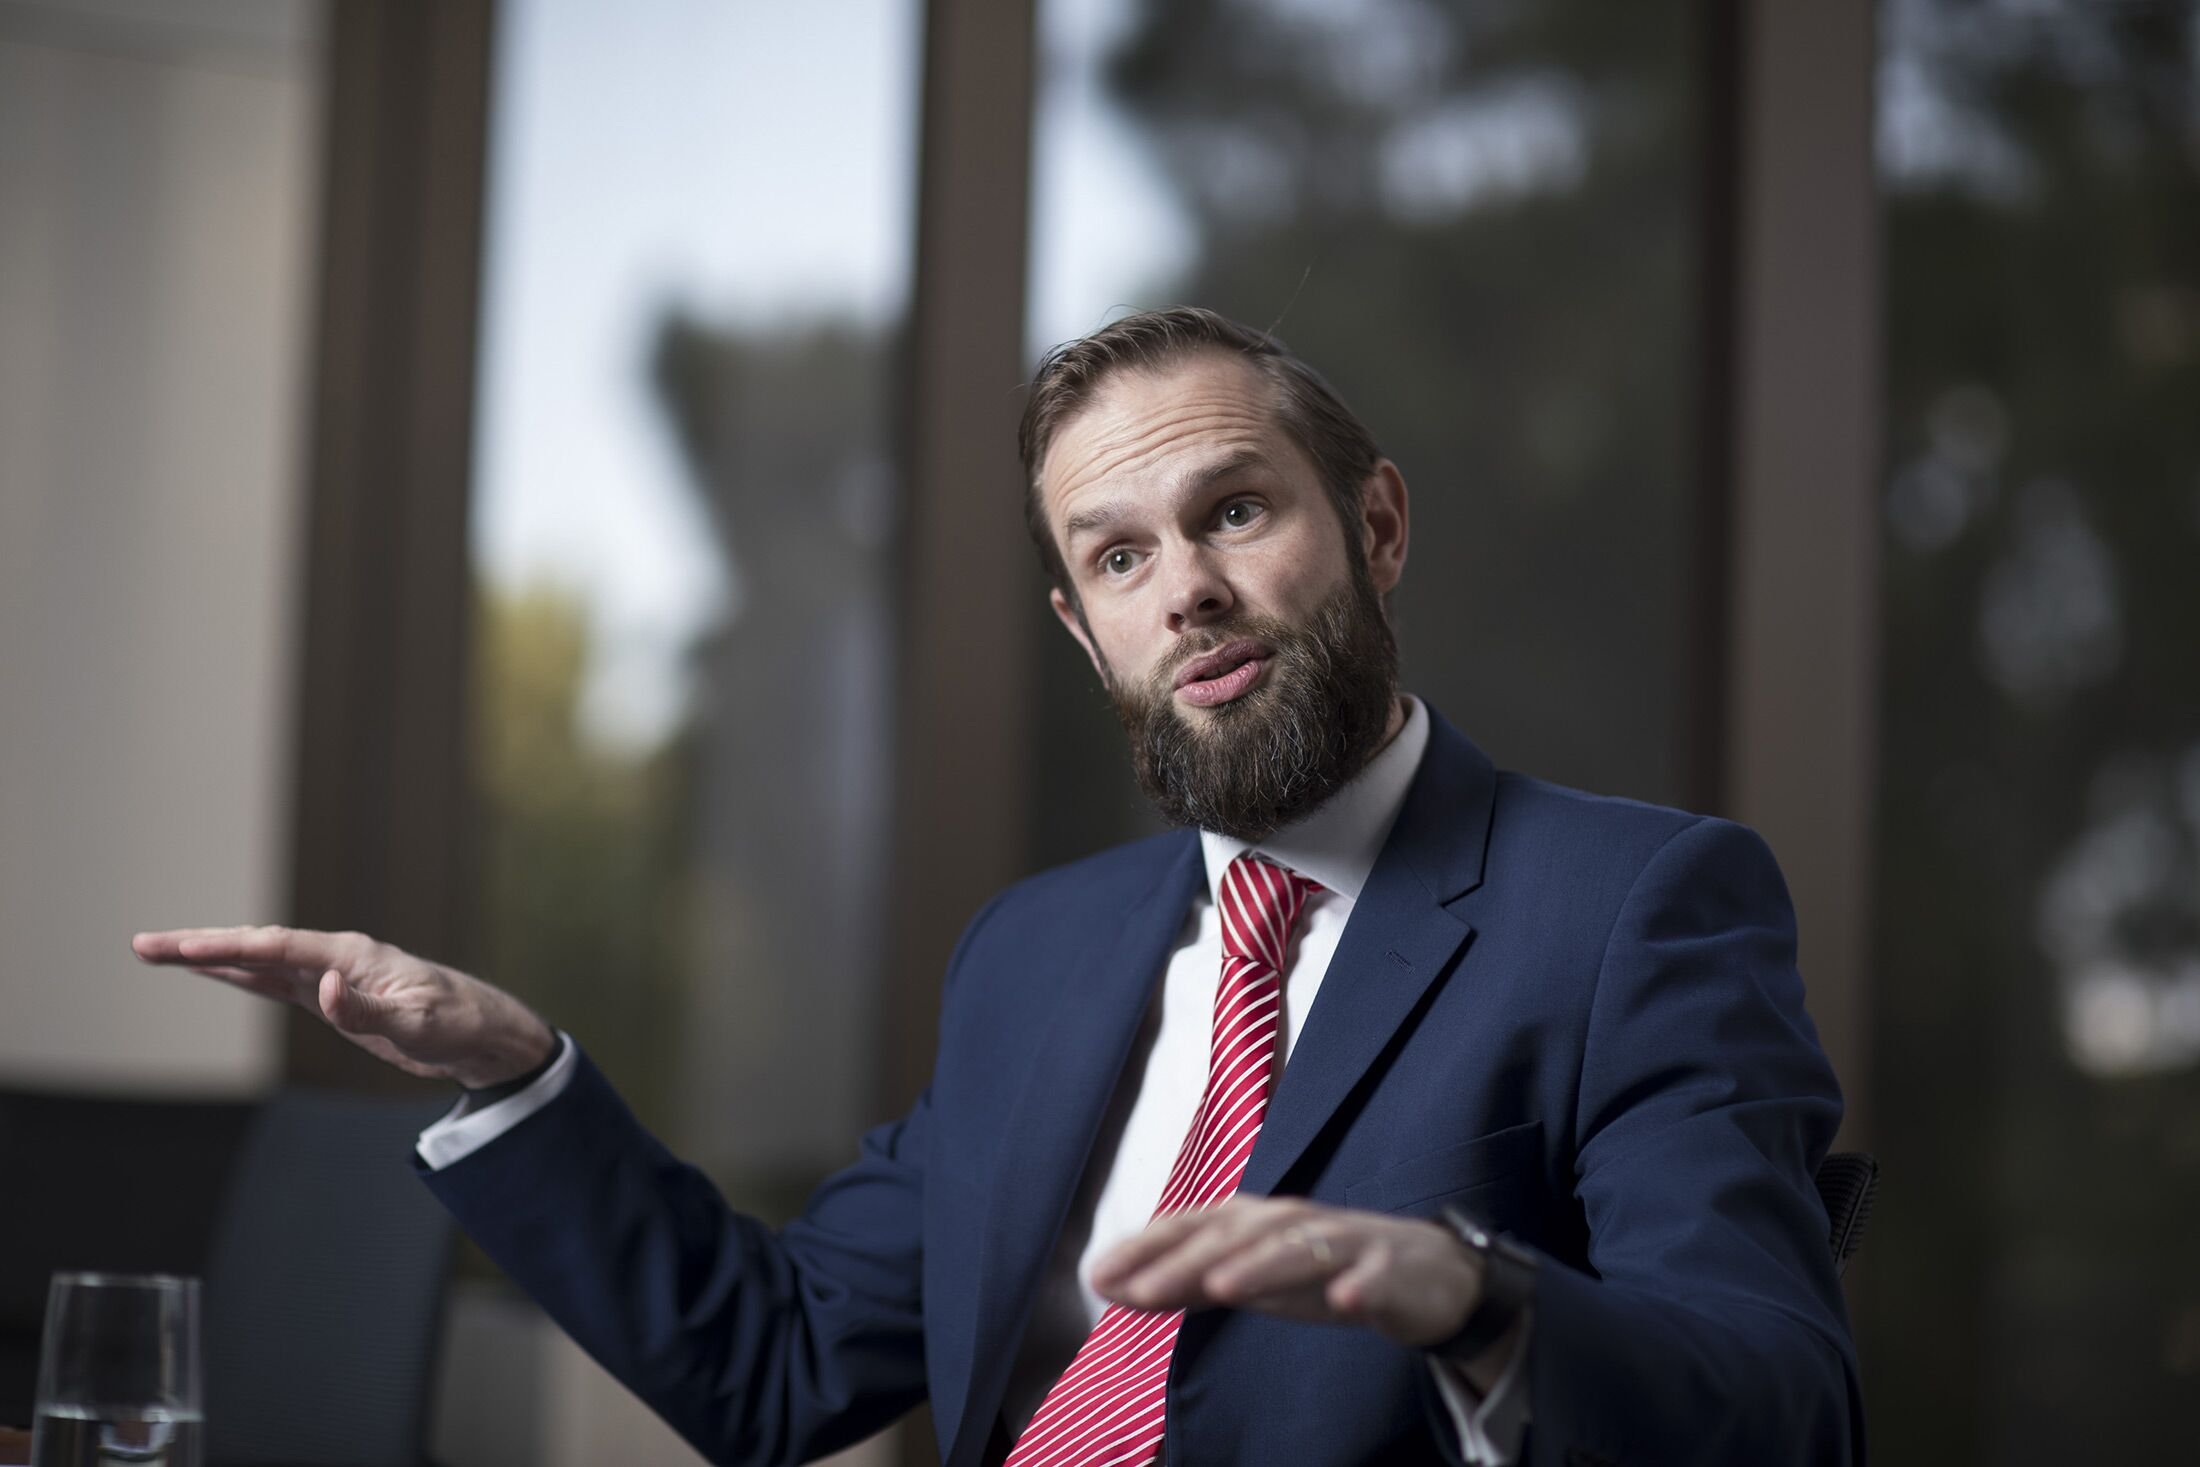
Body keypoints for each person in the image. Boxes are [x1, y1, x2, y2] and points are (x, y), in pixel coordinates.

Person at [134, 307, 1863, 1466]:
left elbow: (1785, 1407)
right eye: (1118, 558)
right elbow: (780, 1362)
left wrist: (1475, 1296)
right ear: (1080, 627)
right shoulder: (1038, 956)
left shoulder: (1640, 902)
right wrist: (517, 1075)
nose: (1183, 587)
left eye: (1237, 511)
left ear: (1381, 527)